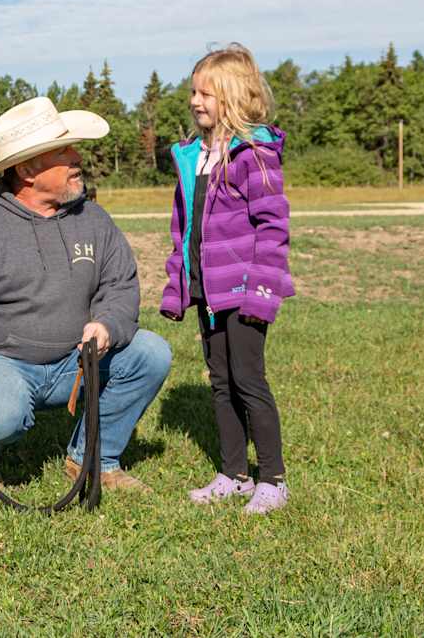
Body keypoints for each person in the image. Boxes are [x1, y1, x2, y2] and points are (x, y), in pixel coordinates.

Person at [0, 97, 172, 493]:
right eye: (64, 151)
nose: (77, 157)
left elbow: (119, 286)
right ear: (27, 169)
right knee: (0, 414)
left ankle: (93, 459)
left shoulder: (94, 220)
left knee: (151, 354)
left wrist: (105, 324)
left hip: (75, 361)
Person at [160, 43, 294, 514]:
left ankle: (273, 480)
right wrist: (179, 282)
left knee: (248, 380)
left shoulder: (253, 154)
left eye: (207, 94)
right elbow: (186, 228)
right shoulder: (194, 156)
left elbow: (273, 228)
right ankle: (234, 474)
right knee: (220, 380)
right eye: (193, 92)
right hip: (208, 287)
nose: (196, 101)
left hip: (243, 289)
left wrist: (262, 291)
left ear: (234, 97)